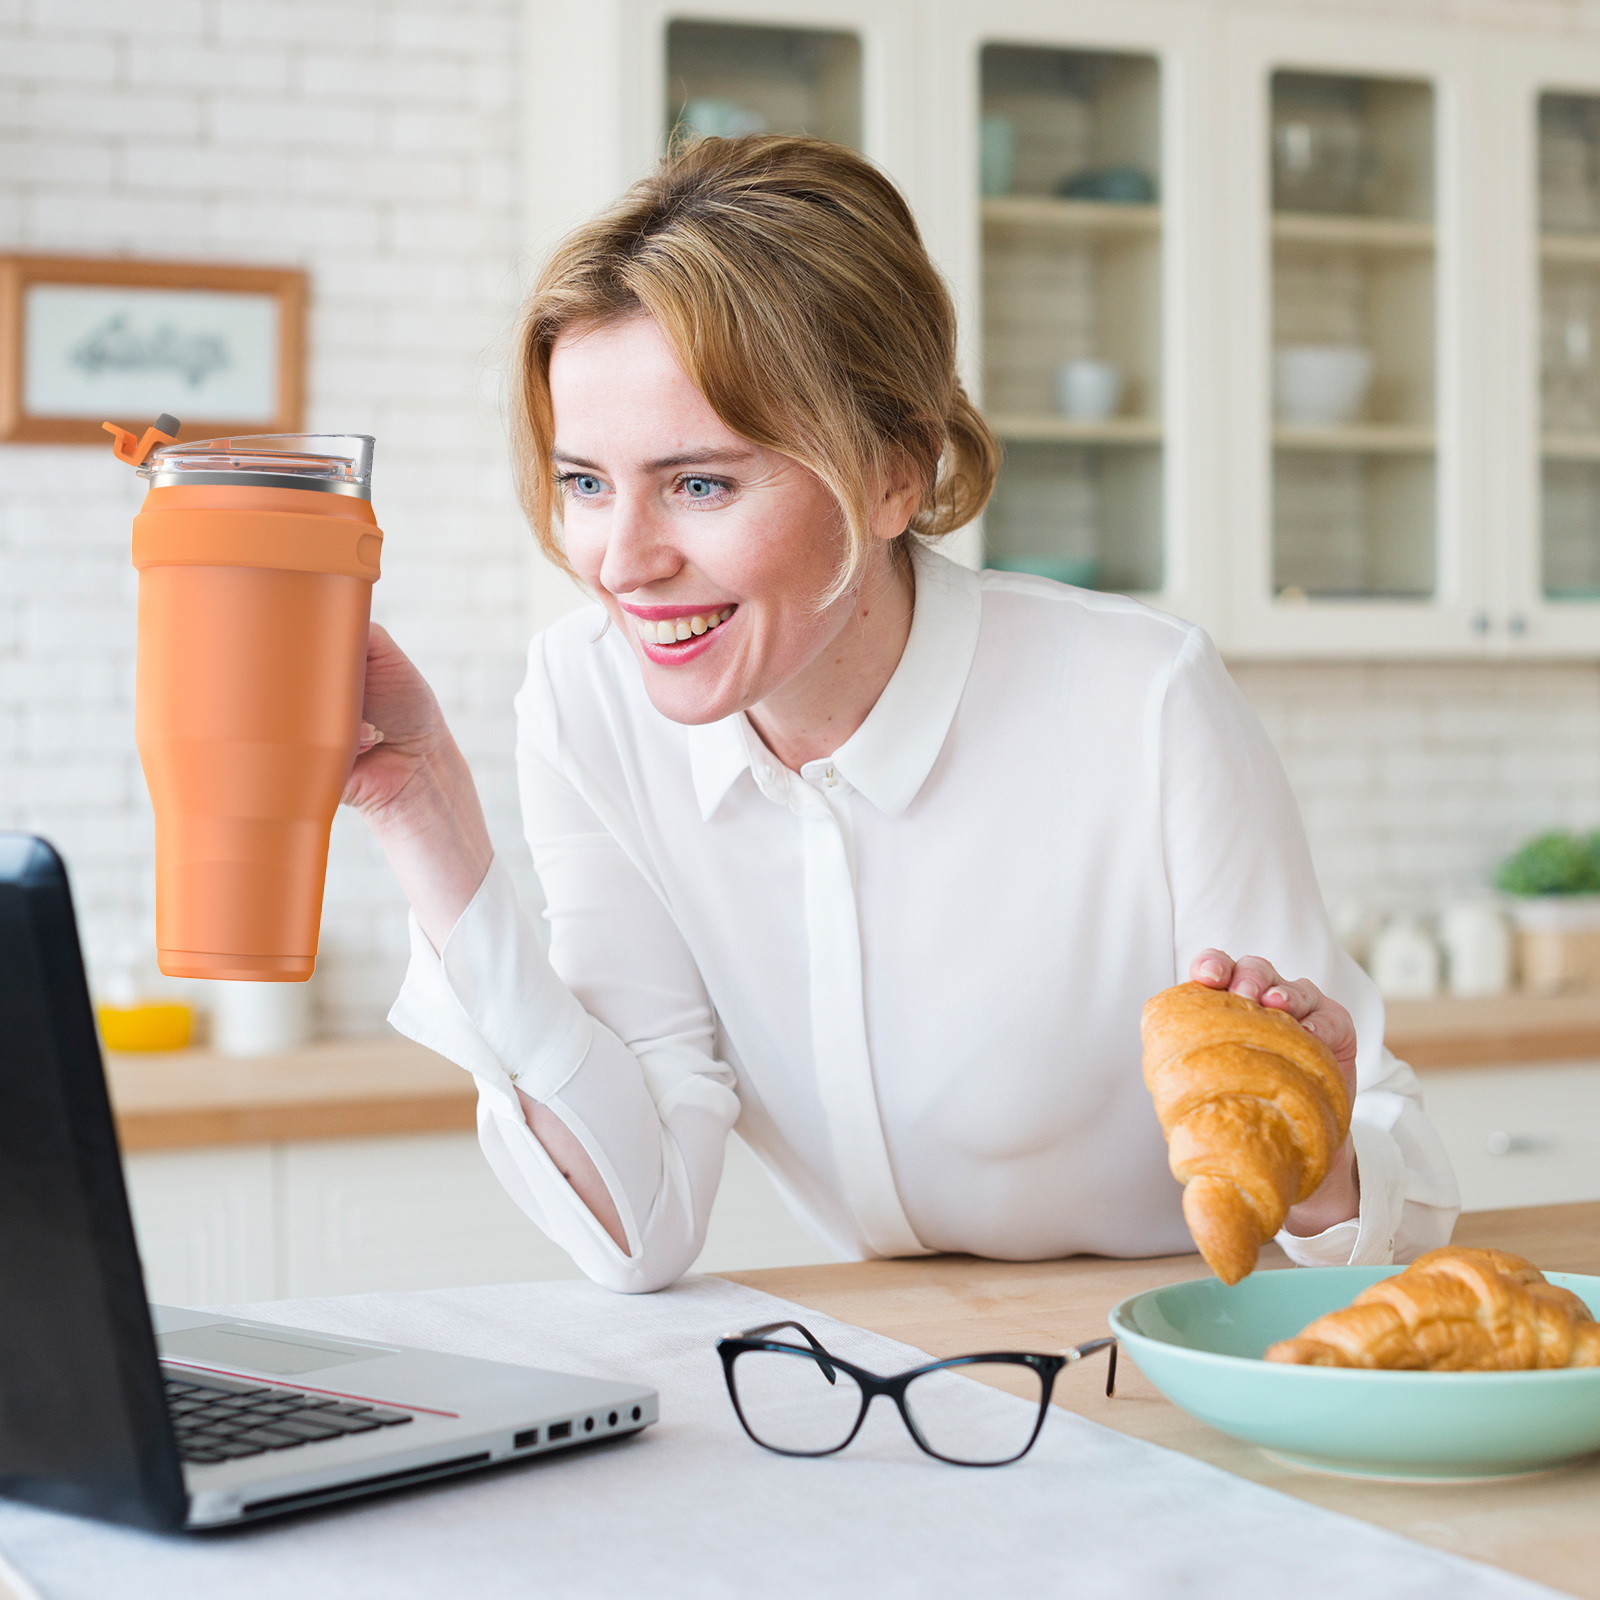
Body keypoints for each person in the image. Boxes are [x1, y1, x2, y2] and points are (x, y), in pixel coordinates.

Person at [344, 134, 1459, 1293]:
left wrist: (1315, 1147)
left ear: (892, 475)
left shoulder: (1142, 698)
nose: (620, 560)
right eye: (585, 482)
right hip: (901, 1368)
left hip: (1172, 1346)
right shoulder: (588, 700)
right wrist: (423, 812)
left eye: (700, 482)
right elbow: (640, 1225)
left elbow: (1403, 1198)